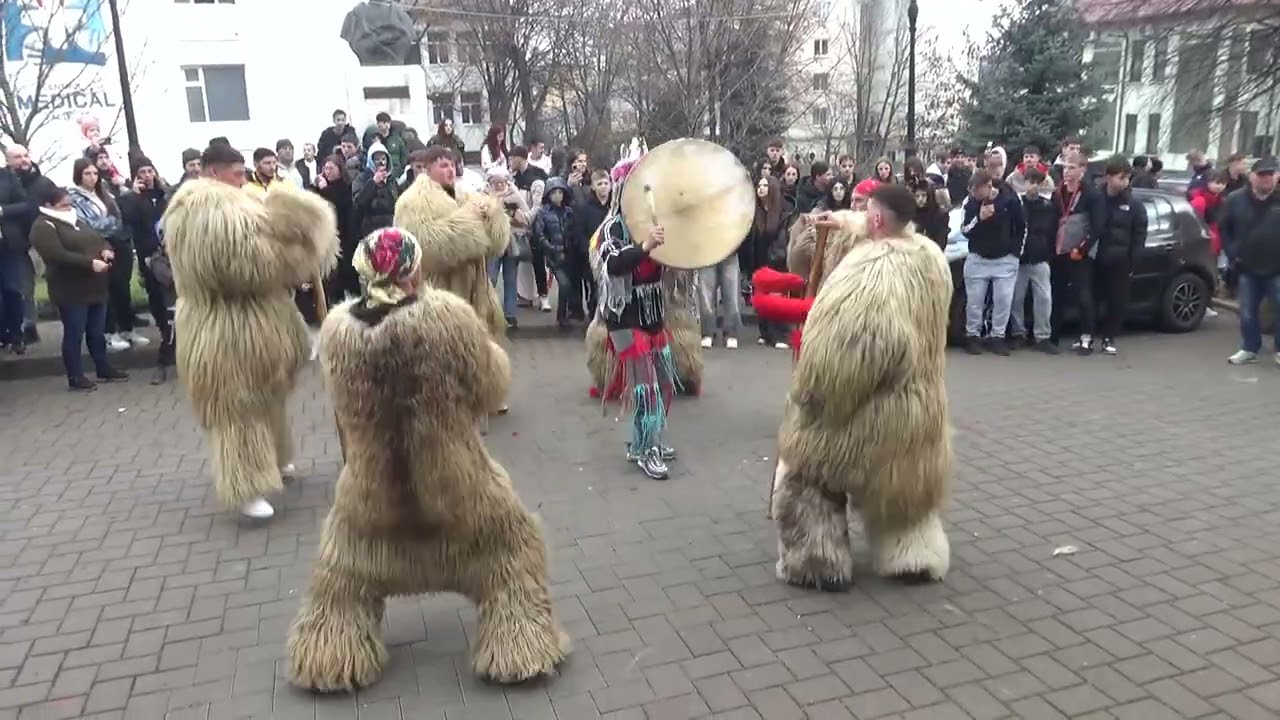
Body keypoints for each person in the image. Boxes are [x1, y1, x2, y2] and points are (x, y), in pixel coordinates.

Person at [285, 227, 570, 691]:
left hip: (370, 494)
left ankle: (331, 653)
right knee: (515, 549)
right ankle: (519, 645)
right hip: (459, 489)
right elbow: (490, 388)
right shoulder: (447, 317)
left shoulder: (337, 331)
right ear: (413, 270)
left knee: (342, 573)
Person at [770, 183, 953, 590]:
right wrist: (835, 221)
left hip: (866, 415)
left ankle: (817, 560)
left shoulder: (873, 272)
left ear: (877, 218)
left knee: (805, 469)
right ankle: (913, 553)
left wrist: (810, 395)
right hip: (916, 412)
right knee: (906, 485)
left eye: (866, 211)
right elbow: (867, 226)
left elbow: (854, 350)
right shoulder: (930, 257)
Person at [162, 143, 338, 519]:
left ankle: (275, 458)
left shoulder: (241, 203)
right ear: (214, 172)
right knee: (237, 407)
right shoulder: (200, 209)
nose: (244, 180)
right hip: (224, 327)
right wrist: (298, 246)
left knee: (268, 397)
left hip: (258, 321)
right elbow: (246, 265)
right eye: (238, 173)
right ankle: (245, 484)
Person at [392, 146, 511, 407]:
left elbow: (497, 243)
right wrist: (471, 220)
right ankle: (449, 400)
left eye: (452, 164)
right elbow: (428, 247)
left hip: (478, 288)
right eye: (443, 165)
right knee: (446, 347)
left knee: (482, 341)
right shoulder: (411, 203)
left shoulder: (467, 195)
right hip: (441, 291)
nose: (451, 170)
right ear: (427, 169)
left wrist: (492, 214)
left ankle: (485, 393)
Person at [595, 154, 681, 480]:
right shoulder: (612, 227)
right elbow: (613, 264)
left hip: (653, 316)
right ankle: (647, 450)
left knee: (665, 384)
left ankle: (644, 440)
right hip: (625, 318)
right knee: (646, 389)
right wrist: (645, 246)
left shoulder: (657, 222)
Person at [29, 185, 129, 390]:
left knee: (97, 332)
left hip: (95, 286)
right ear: (48, 205)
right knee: (74, 333)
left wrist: (106, 250)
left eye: (69, 204)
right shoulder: (43, 226)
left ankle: (103, 367)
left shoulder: (76, 220)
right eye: (63, 205)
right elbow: (56, 255)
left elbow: (98, 239)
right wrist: (89, 263)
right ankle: (75, 376)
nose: (68, 207)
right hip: (71, 289)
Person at [67, 157, 140, 353]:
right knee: (105, 290)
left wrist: (111, 223)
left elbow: (118, 217)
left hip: (118, 244)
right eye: (87, 173)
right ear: (79, 175)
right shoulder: (74, 197)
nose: (92, 177)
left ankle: (127, 329)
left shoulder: (103, 192)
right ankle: (107, 334)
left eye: (95, 173)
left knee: (121, 288)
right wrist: (111, 223)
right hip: (97, 245)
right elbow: (89, 224)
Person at [1221, 156, 1280, 365]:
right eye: (1262, 175)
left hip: (1277, 268)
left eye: (1270, 175)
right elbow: (1225, 228)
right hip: (1247, 267)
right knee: (1247, 311)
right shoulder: (1235, 199)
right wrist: (1232, 253)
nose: (1267, 179)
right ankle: (1249, 348)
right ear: (1252, 177)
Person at [960, 170, 1025, 355]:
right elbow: (964, 230)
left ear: (988, 187)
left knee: (1003, 300)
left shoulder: (1010, 199)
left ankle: (998, 336)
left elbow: (1021, 226)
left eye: (976, 190)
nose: (974, 194)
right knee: (974, 302)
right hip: (978, 258)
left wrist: (1016, 253)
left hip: (1005, 259)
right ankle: (972, 336)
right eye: (971, 190)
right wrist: (979, 218)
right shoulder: (970, 202)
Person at [1091, 157, 1148, 356]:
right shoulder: (1096, 198)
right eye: (1121, 177)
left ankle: (1109, 337)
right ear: (1109, 177)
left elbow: (1139, 234)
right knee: (1091, 299)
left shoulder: (1134, 204)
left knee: (1116, 301)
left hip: (1120, 260)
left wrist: (1134, 260)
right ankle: (1087, 336)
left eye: (1128, 178)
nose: (1125, 182)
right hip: (1095, 258)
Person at [1009, 167, 1060, 352]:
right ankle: (1018, 333)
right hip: (1020, 259)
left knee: (1044, 298)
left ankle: (1043, 336)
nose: (1033, 186)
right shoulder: (1017, 204)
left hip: (1040, 258)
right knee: (1016, 298)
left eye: (1037, 183)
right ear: (1024, 183)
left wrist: (1048, 253)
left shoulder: (1048, 206)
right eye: (1030, 182)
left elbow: (1053, 231)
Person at [532, 177, 574, 329]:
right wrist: (551, 248)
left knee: (569, 285)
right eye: (554, 193)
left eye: (560, 192)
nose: (558, 196)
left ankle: (565, 314)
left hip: (569, 255)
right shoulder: (543, 213)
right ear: (548, 195)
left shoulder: (569, 212)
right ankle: (562, 317)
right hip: (554, 256)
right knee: (564, 284)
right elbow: (539, 235)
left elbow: (573, 231)